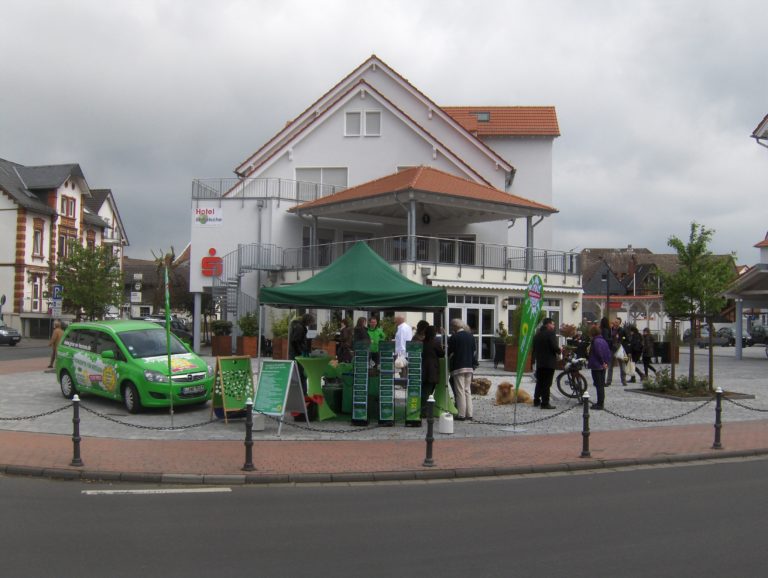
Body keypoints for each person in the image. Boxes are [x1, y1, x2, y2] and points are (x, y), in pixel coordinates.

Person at [448, 318, 476, 420]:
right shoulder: (471, 336)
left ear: (455, 327)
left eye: (452, 326)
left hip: (458, 366)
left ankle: (461, 414)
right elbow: (474, 351)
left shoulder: (454, 337)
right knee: (467, 390)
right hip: (469, 366)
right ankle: (470, 414)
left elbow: (449, 352)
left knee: (459, 390)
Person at [532, 317, 561, 409]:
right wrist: (559, 351)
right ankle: (545, 403)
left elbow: (534, 349)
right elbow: (554, 347)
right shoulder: (550, 334)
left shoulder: (537, 334)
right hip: (549, 362)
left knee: (539, 381)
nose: (553, 325)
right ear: (548, 324)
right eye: (552, 324)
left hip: (540, 362)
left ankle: (536, 400)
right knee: (547, 383)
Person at [420, 324, 444, 417]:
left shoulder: (422, 343)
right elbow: (442, 354)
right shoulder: (435, 343)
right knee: (428, 391)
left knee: (424, 390)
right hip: (432, 370)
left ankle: (423, 410)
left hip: (423, 369)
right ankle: (424, 411)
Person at [586, 324, 611, 409]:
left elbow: (598, 353)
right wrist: (606, 362)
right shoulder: (603, 340)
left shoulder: (595, 341)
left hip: (597, 365)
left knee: (598, 385)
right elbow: (607, 352)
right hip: (602, 366)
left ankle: (600, 404)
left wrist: (602, 362)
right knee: (601, 385)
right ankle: (600, 402)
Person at [289, 313, 314, 393]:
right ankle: (302, 393)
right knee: (301, 374)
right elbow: (295, 341)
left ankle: (299, 392)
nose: (310, 324)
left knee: (299, 374)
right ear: (307, 321)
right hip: (297, 355)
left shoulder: (299, 326)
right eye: (311, 322)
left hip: (296, 353)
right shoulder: (299, 328)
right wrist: (300, 352)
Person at [607, 317, 628, 386]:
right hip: (612, 349)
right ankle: (608, 381)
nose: (615, 323)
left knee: (622, 365)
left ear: (619, 323)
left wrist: (621, 341)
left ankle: (623, 381)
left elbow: (626, 338)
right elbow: (609, 337)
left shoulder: (622, 330)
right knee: (610, 366)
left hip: (619, 349)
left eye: (617, 322)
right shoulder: (611, 329)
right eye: (615, 322)